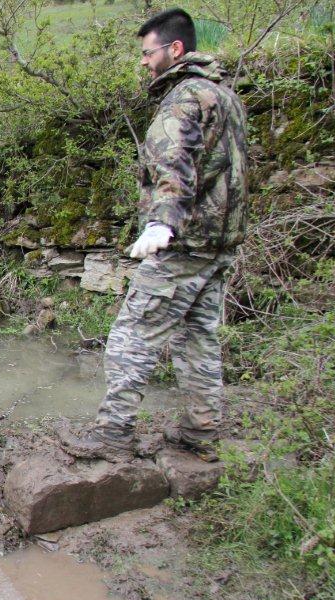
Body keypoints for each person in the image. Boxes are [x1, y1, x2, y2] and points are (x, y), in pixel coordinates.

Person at [58, 8, 248, 464]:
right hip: (218, 245)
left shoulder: (183, 100)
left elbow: (174, 164)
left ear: (174, 49)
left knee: (131, 336)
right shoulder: (224, 96)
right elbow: (229, 172)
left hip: (182, 245)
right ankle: (201, 433)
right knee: (197, 339)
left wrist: (162, 222)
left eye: (148, 53)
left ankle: (113, 435)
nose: (143, 62)